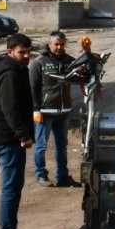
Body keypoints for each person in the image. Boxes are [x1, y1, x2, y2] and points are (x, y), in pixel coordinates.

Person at [0, 33, 37, 229]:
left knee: (12, 186)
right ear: (10, 52)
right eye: (21, 52)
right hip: (7, 139)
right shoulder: (10, 73)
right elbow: (10, 108)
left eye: (28, 51)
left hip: (4, 137)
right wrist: (23, 135)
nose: (26, 56)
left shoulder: (12, 69)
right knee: (11, 187)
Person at [30, 31, 79, 188]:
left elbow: (83, 73)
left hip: (63, 112)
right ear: (49, 44)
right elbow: (32, 88)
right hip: (45, 112)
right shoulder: (38, 63)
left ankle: (62, 176)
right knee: (41, 145)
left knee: (61, 146)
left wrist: (87, 54)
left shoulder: (69, 61)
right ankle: (41, 175)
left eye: (62, 44)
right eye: (56, 44)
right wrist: (36, 109)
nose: (59, 47)